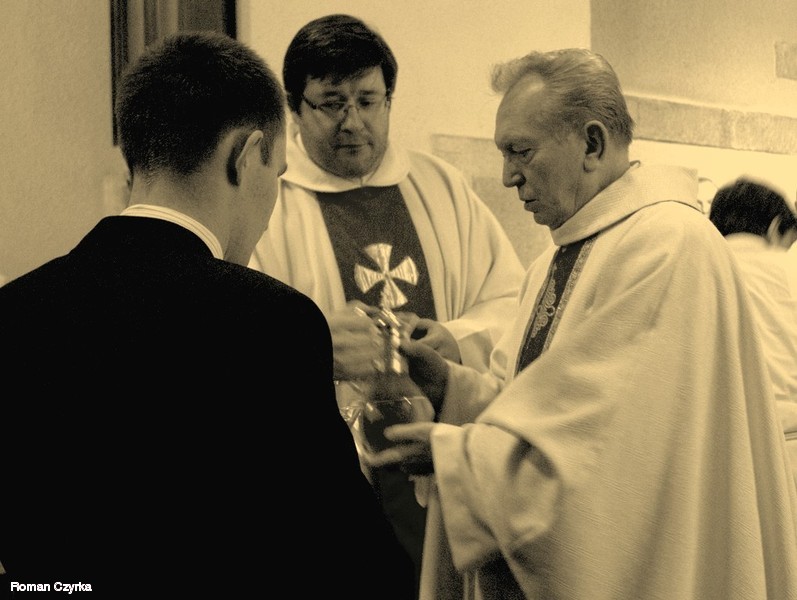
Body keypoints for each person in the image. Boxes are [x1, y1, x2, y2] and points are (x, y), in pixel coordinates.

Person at [370, 48, 797, 599]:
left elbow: (609, 457)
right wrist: (451, 387)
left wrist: (456, 459)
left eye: (521, 151)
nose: (507, 176)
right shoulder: (552, 261)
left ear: (592, 143)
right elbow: (535, 409)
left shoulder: (668, 246)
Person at [0, 31, 413, 599]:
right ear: (246, 156)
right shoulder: (271, 321)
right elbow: (351, 557)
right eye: (277, 173)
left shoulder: (15, 310)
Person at [247, 13, 525, 594]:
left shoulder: (442, 188)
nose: (353, 121)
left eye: (368, 101)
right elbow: (239, 336)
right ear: (295, 109)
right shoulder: (269, 204)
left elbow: (509, 301)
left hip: (439, 468)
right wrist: (314, 344)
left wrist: (453, 340)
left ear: (389, 100)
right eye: (331, 103)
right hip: (327, 485)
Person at [709, 177, 797, 480]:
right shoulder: (788, 271)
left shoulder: (695, 267)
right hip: (790, 442)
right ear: (775, 228)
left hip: (716, 449)